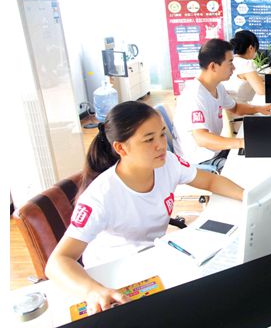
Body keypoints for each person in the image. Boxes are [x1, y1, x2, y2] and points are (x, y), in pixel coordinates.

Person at [45, 101, 245, 315]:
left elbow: (210, 181)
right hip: (114, 277)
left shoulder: (168, 163)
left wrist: (248, 196)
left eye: (162, 134)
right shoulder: (101, 197)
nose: (161, 145)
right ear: (121, 148)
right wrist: (93, 291)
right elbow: (57, 263)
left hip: (153, 258)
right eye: (149, 139)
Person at [173, 38, 271, 170]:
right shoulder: (195, 95)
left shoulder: (217, 87)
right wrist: (242, 143)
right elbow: (201, 138)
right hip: (200, 161)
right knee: (254, 168)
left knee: (265, 154)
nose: (234, 68)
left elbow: (236, 108)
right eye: (230, 62)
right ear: (213, 66)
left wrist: (260, 108)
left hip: (214, 152)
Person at [223, 30, 266, 103]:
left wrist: (265, 77)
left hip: (229, 105)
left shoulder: (232, 60)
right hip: (238, 106)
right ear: (251, 48)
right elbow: (261, 90)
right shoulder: (246, 63)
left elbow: (247, 77)